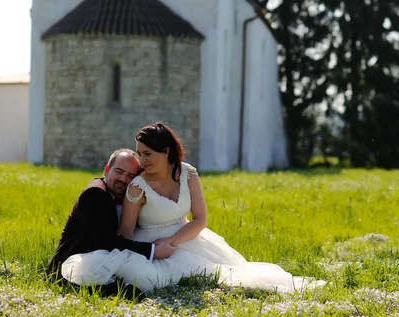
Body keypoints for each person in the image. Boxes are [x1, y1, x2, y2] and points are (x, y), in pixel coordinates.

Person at [61, 122, 325, 293]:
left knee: (234, 276)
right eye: (139, 153)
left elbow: (200, 220)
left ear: (166, 152)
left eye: (147, 154)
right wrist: (154, 250)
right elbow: (126, 233)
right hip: (151, 242)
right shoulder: (137, 187)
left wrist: (175, 241)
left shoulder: (188, 174)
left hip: (187, 237)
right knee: (156, 282)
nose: (141, 161)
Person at [47, 149, 176, 299]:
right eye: (119, 171)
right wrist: (153, 250)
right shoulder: (94, 194)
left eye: (130, 176)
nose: (123, 179)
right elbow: (107, 242)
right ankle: (113, 290)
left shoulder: (128, 197)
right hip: (73, 265)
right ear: (106, 170)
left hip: (104, 257)